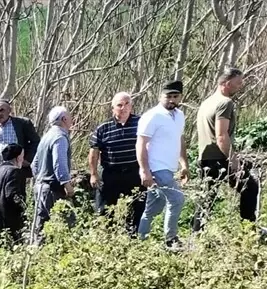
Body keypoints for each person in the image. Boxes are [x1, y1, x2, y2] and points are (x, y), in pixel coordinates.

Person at [195, 67, 259, 228]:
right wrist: (235, 163)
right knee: (249, 187)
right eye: (238, 83)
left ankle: (197, 235)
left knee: (206, 199)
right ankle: (248, 230)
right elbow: (221, 136)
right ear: (227, 83)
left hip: (205, 158)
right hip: (219, 158)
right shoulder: (225, 103)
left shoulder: (206, 102)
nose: (240, 86)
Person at [137, 80, 189, 246]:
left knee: (154, 207)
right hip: (156, 168)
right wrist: (144, 170)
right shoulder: (152, 116)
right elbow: (141, 143)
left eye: (175, 96)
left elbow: (179, 140)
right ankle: (171, 239)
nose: (172, 100)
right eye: (168, 96)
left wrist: (184, 165)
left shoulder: (179, 115)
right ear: (160, 96)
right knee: (177, 199)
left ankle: (142, 239)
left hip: (169, 166)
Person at [88, 92, 145, 233]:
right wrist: (93, 174)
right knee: (105, 209)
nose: (123, 108)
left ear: (131, 106)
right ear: (113, 107)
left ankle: (133, 239)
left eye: (127, 104)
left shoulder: (141, 123)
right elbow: (94, 152)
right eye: (119, 105)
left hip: (134, 173)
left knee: (137, 208)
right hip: (110, 174)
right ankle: (106, 238)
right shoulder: (103, 128)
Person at [30, 106, 75, 245]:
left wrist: (40, 179)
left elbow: (34, 165)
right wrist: (67, 184)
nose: (71, 120)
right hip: (53, 189)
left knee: (42, 227)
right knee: (66, 223)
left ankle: (38, 259)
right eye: (70, 117)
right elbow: (59, 163)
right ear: (64, 119)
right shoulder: (60, 137)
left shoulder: (46, 137)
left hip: (40, 187)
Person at [0, 99, 40, 173]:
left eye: (1, 110)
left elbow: (36, 142)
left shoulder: (23, 124)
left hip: (18, 169)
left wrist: (27, 159)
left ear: (9, 110)